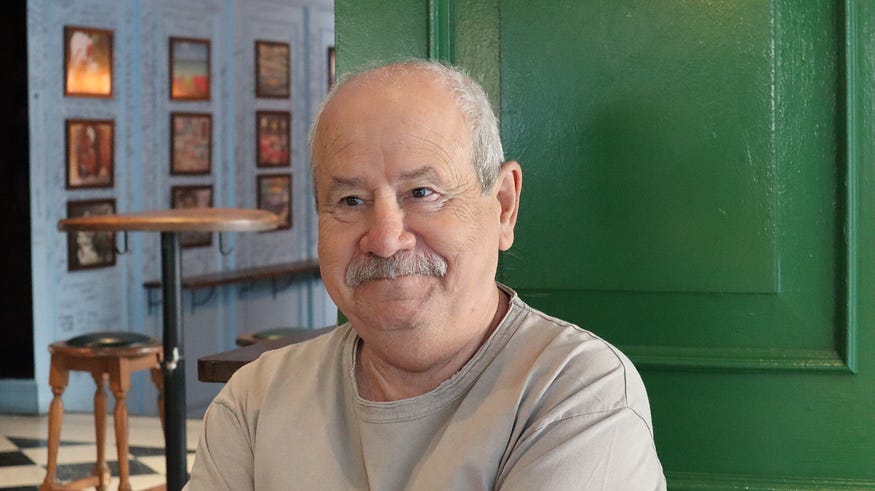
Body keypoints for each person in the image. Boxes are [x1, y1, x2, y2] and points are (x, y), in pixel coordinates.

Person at [184, 59, 666, 490]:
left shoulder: (576, 393)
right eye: (351, 200)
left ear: (503, 206)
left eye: (422, 192)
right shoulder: (255, 399)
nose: (385, 238)